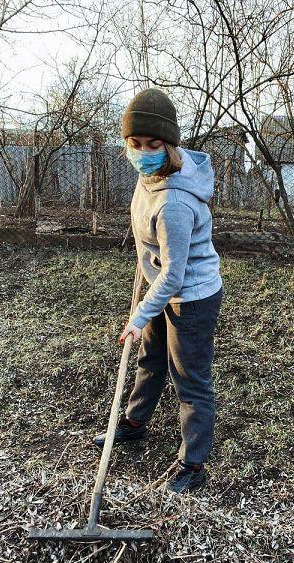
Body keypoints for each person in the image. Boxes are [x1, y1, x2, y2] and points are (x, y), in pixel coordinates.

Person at [94, 88, 223, 492]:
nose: (143, 151)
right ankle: (135, 422)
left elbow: (174, 275)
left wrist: (138, 316)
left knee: (190, 379)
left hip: (192, 296)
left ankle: (193, 465)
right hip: (161, 286)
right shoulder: (148, 177)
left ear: (169, 145)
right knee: (150, 358)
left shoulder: (174, 204)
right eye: (135, 143)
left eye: (153, 144)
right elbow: (148, 243)